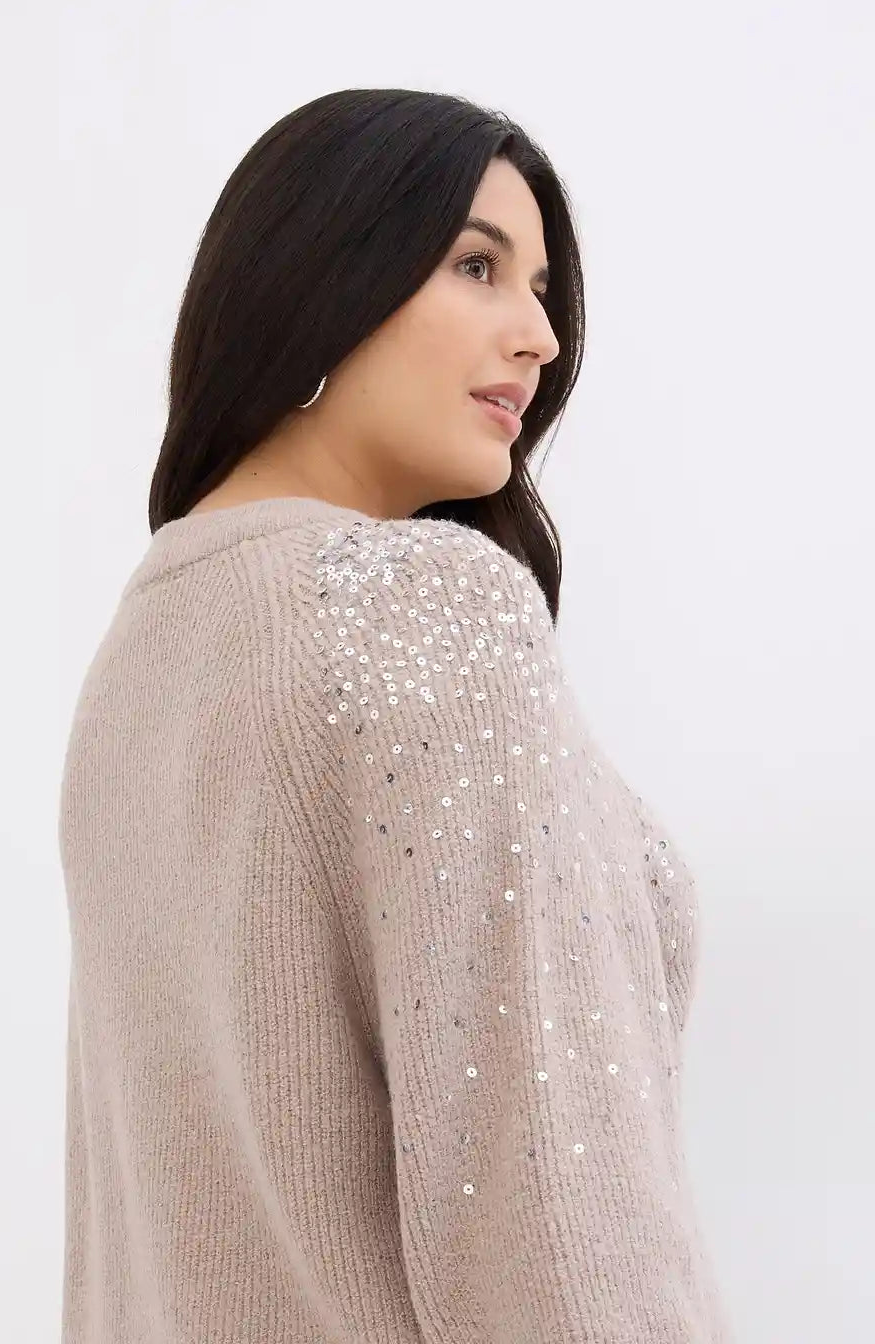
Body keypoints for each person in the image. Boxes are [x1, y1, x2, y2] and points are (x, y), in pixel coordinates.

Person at [59, 87, 733, 1342]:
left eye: (542, 289)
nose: (540, 335)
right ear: (322, 278)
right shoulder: (423, 605)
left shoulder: (134, 661)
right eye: (478, 265)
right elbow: (551, 1232)